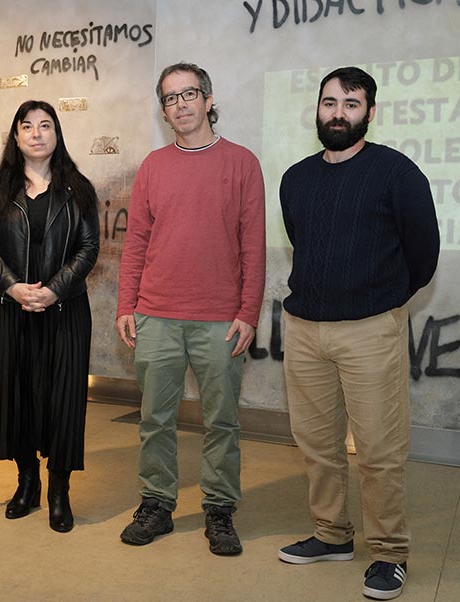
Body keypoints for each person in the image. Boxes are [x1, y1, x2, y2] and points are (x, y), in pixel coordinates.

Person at [277, 66, 439, 600]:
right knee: (317, 444)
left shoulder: (397, 172)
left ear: (370, 112)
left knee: (378, 450)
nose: (338, 112)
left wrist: (383, 305)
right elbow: (305, 241)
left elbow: (423, 254)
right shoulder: (295, 178)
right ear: (317, 110)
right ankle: (331, 535)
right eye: (329, 102)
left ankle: (389, 553)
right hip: (303, 329)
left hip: (370, 329)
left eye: (351, 103)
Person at [116, 62, 266, 556]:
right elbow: (135, 242)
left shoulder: (242, 163)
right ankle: (156, 503)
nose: (179, 105)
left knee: (221, 420)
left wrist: (248, 311)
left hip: (221, 319)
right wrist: (126, 304)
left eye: (188, 94)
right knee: (155, 418)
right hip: (155, 315)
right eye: (169, 98)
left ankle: (219, 509)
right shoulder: (153, 167)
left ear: (207, 98)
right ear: (164, 109)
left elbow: (253, 245)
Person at [0, 100, 99, 533]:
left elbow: (88, 248)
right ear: (16, 135)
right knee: (17, 398)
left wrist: (53, 289)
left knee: (62, 402)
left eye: (46, 125)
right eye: (27, 126)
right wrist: (12, 286)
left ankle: (59, 491)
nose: (37, 133)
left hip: (64, 310)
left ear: (57, 134)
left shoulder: (78, 188)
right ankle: (27, 483)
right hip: (8, 309)